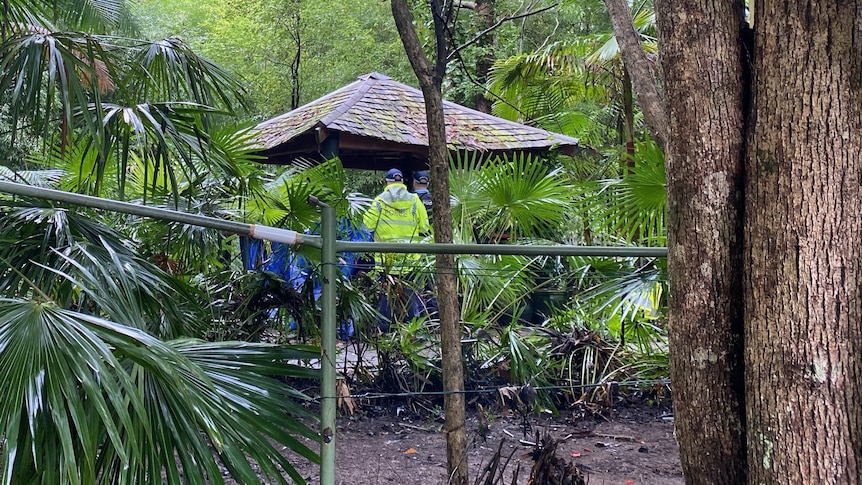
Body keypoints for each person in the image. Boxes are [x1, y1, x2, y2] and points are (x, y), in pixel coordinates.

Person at [362, 168, 431, 330]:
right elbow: (425, 226)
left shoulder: (379, 201)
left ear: (387, 182)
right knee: (410, 298)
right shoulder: (415, 200)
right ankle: (410, 332)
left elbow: (367, 225)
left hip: (386, 261)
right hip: (410, 260)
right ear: (402, 182)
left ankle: (383, 330)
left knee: (385, 298)